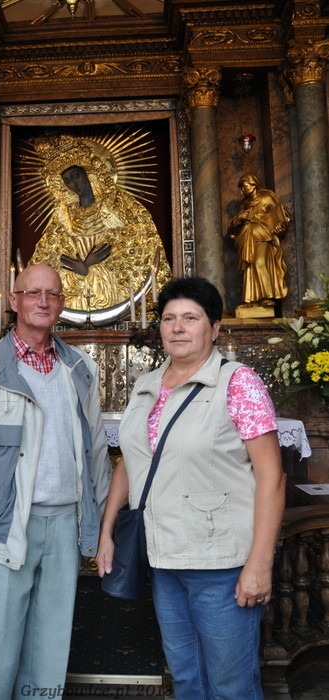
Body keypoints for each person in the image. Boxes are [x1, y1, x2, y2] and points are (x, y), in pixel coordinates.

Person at [96, 277, 285, 700]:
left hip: (221, 563)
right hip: (164, 559)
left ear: (214, 329)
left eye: (190, 318)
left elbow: (272, 477)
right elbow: (132, 460)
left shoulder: (239, 384)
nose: (178, 327)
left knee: (231, 686)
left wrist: (260, 563)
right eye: (169, 319)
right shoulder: (146, 385)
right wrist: (108, 530)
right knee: (186, 679)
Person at [0, 264, 111, 700]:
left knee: (49, 657)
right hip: (4, 530)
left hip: (65, 527)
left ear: (62, 304)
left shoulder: (80, 367)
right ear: (14, 301)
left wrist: (102, 528)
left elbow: (96, 454)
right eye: (33, 293)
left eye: (52, 293)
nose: (43, 301)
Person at [28, 134, 171, 310]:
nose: (73, 184)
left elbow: (138, 245)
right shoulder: (63, 218)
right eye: (67, 181)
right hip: (76, 296)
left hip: (114, 291)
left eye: (76, 176)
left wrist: (99, 263)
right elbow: (52, 260)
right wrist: (83, 267)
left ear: (88, 173)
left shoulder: (117, 205)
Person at [228, 173, 290, 307]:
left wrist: (280, 226)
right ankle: (250, 300)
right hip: (246, 237)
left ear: (253, 184)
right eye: (241, 188)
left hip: (263, 236)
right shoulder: (244, 204)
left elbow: (280, 215)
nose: (243, 190)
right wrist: (240, 217)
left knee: (261, 263)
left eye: (245, 187)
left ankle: (266, 296)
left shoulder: (266, 198)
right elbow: (233, 228)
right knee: (249, 267)